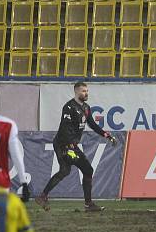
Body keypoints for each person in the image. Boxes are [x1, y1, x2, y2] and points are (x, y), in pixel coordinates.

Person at [35, 81, 116, 212]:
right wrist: (68, 145)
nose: (86, 93)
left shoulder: (86, 108)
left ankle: (42, 196)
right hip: (64, 145)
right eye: (83, 91)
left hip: (70, 145)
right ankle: (88, 204)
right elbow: (65, 127)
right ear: (76, 91)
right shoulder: (69, 107)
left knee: (65, 171)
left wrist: (107, 135)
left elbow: (93, 125)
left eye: (87, 91)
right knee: (88, 170)